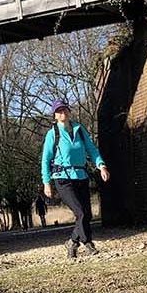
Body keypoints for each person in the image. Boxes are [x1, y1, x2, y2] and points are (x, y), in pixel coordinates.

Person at [41, 98, 110, 259]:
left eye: (64, 109)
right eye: (59, 111)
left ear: (69, 112)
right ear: (55, 116)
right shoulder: (53, 134)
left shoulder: (79, 130)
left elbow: (91, 149)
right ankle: (88, 243)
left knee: (87, 213)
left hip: (81, 175)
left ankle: (72, 242)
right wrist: (46, 182)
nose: (62, 113)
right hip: (62, 178)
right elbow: (45, 159)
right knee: (80, 212)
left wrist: (101, 165)